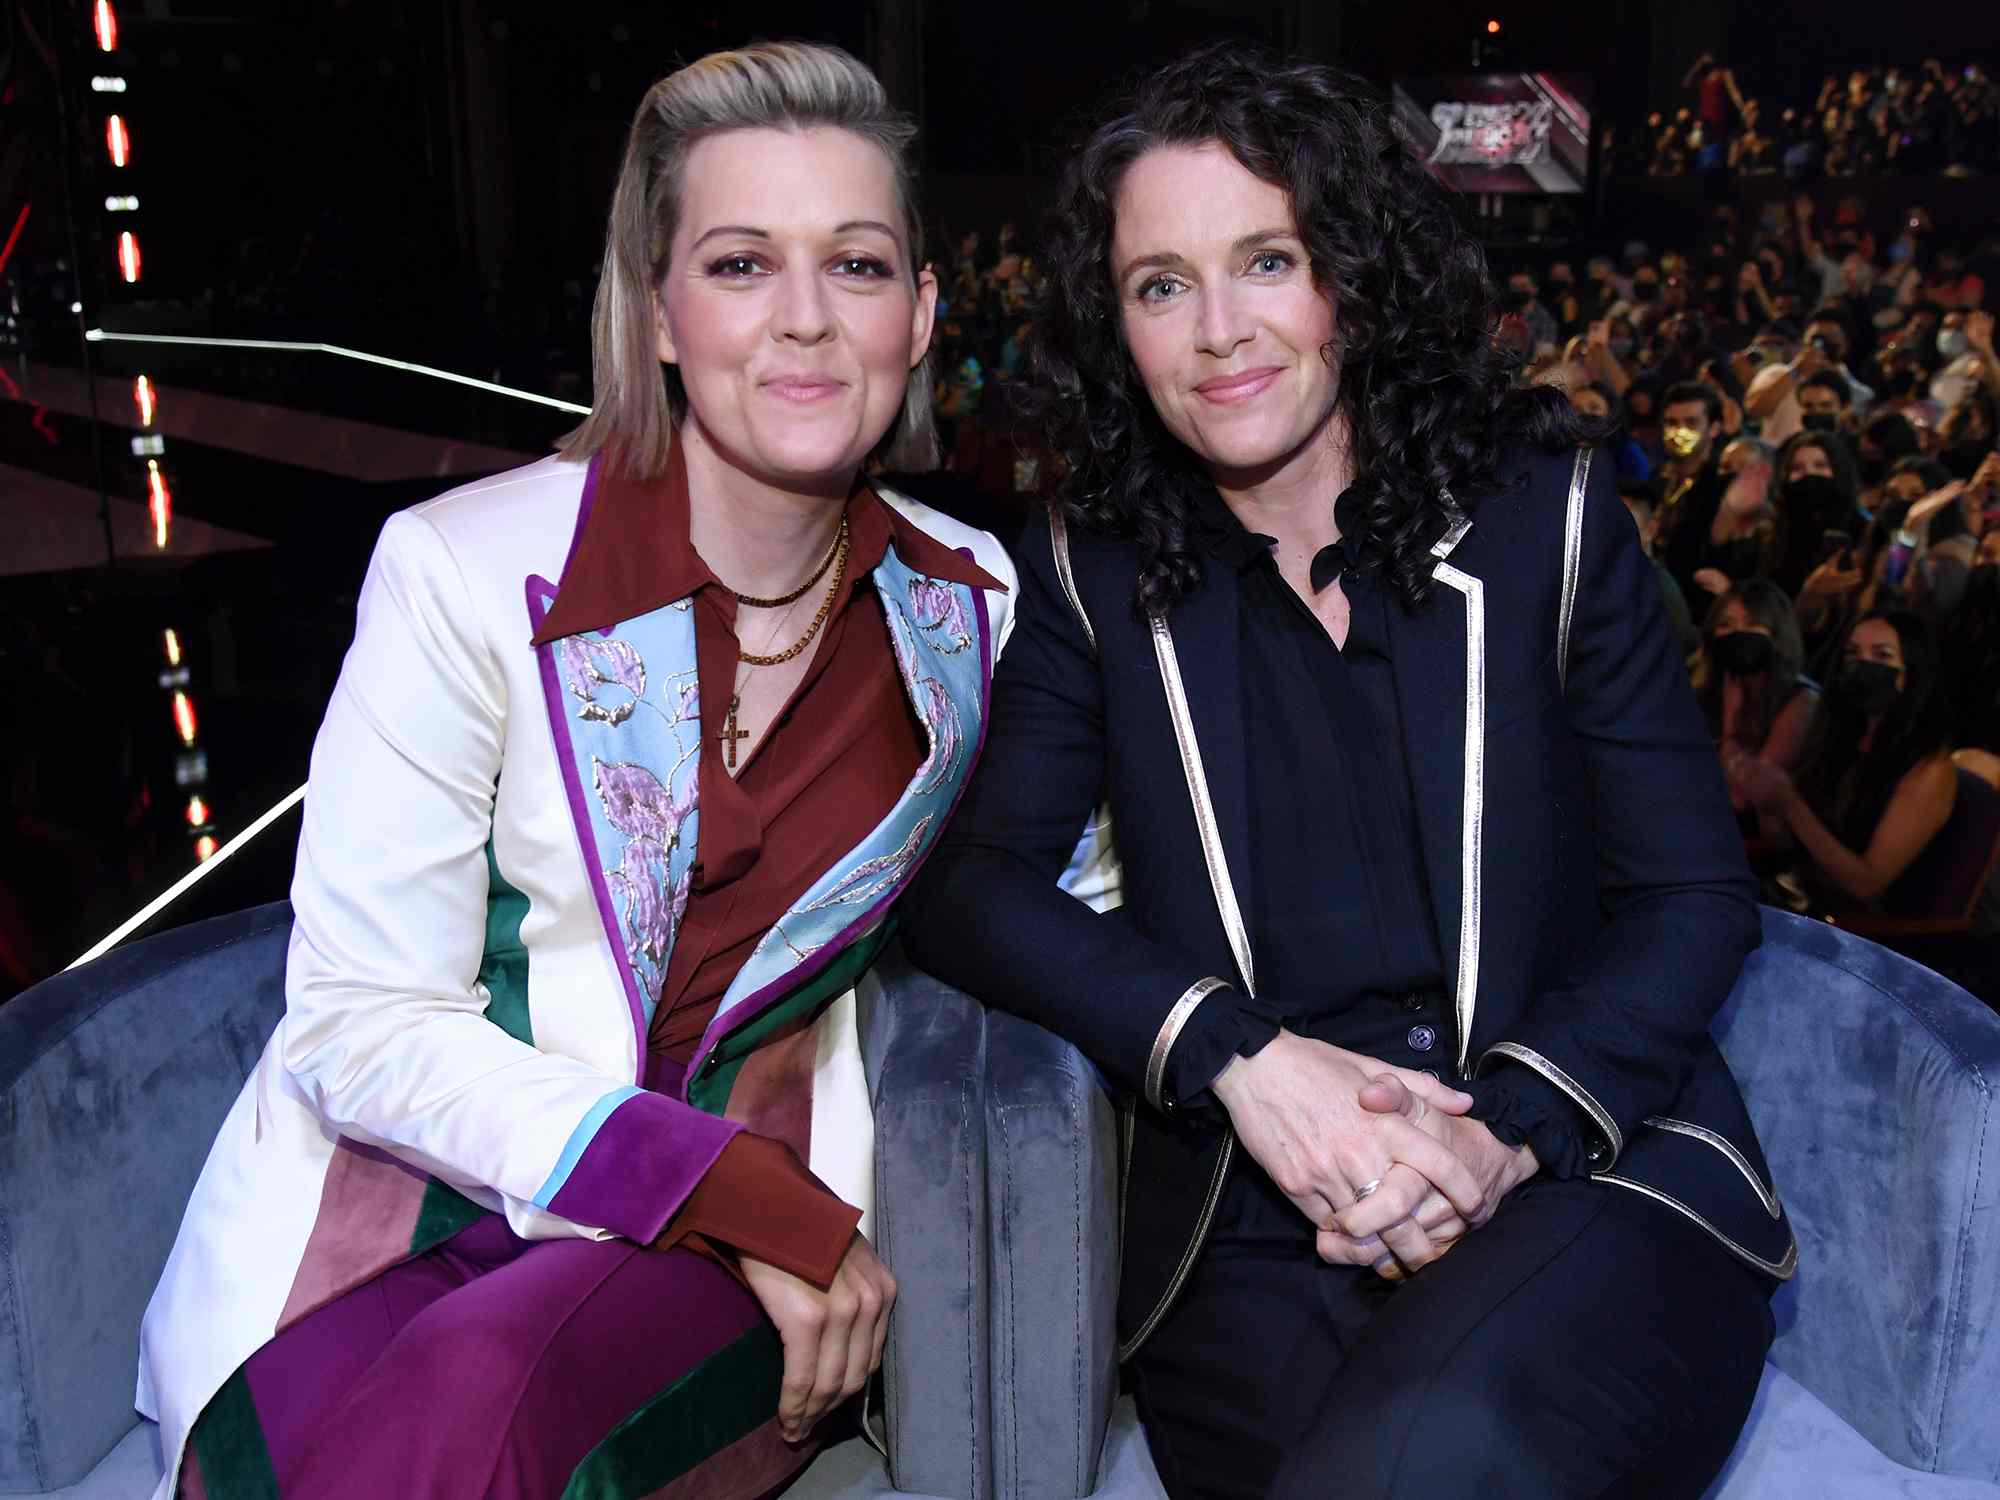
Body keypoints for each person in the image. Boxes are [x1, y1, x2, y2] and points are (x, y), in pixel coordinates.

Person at [904, 43, 1790, 1500]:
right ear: (1113, 325)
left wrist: (1500, 1133)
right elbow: (975, 887)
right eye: (1162, 285)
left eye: (1269, 259)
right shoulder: (1093, 572)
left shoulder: (1548, 527)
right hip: (1258, 1214)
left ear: (1357, 279)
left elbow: (1693, 895)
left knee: (1424, 1453)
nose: (1221, 332)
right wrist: (1237, 1059)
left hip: (1578, 1166)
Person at [137, 43, 1018, 1500]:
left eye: (857, 267)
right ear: (658, 313)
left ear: (921, 316)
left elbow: (1068, 891)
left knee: (486, 1399)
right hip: (402, 1225)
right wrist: (715, 1189)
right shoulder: (464, 572)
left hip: (741, 1265)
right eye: (739, 265)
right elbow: (358, 1021)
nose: (804, 322)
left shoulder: (973, 603)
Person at [1732, 612, 1958, 916]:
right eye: (1852, 653)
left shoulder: (1929, 768)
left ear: (1913, 671)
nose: (1862, 665)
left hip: (1861, 933)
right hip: (1794, 895)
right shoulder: (1844, 734)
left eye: (1882, 655)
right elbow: (1787, 845)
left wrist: (1789, 803)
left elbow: (1866, 885)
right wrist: (1765, 798)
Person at [1693, 580, 1818, 828]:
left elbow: (1745, 798)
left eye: (1752, 624)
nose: (1738, 633)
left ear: (1777, 632)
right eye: (1726, 624)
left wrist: (1730, 726)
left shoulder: (1801, 699)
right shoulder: (1713, 682)